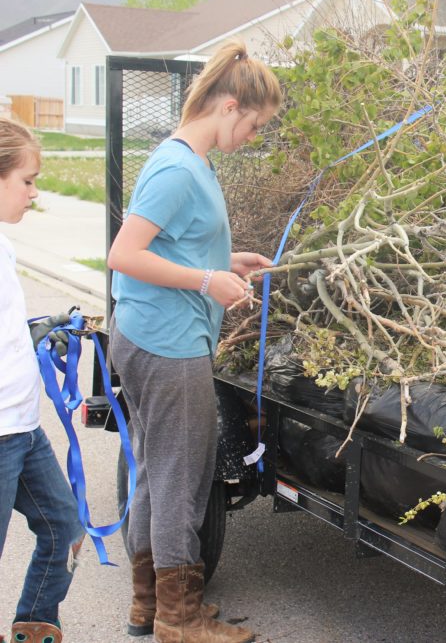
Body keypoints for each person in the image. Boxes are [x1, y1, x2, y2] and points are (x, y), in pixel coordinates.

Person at [107, 39, 280, 643]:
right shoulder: (177, 167)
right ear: (229, 106)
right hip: (167, 344)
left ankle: (147, 606)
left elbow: (171, 246)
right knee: (183, 479)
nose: (252, 137)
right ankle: (181, 621)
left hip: (160, 335)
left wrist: (226, 260)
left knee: (157, 473)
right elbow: (124, 256)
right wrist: (209, 280)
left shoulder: (193, 164)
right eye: (255, 125)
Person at [0, 118, 84, 643]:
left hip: (23, 427)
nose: (34, 193)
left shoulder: (4, 246)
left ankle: (33, 627)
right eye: (27, 180)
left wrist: (35, 337)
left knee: (65, 529)